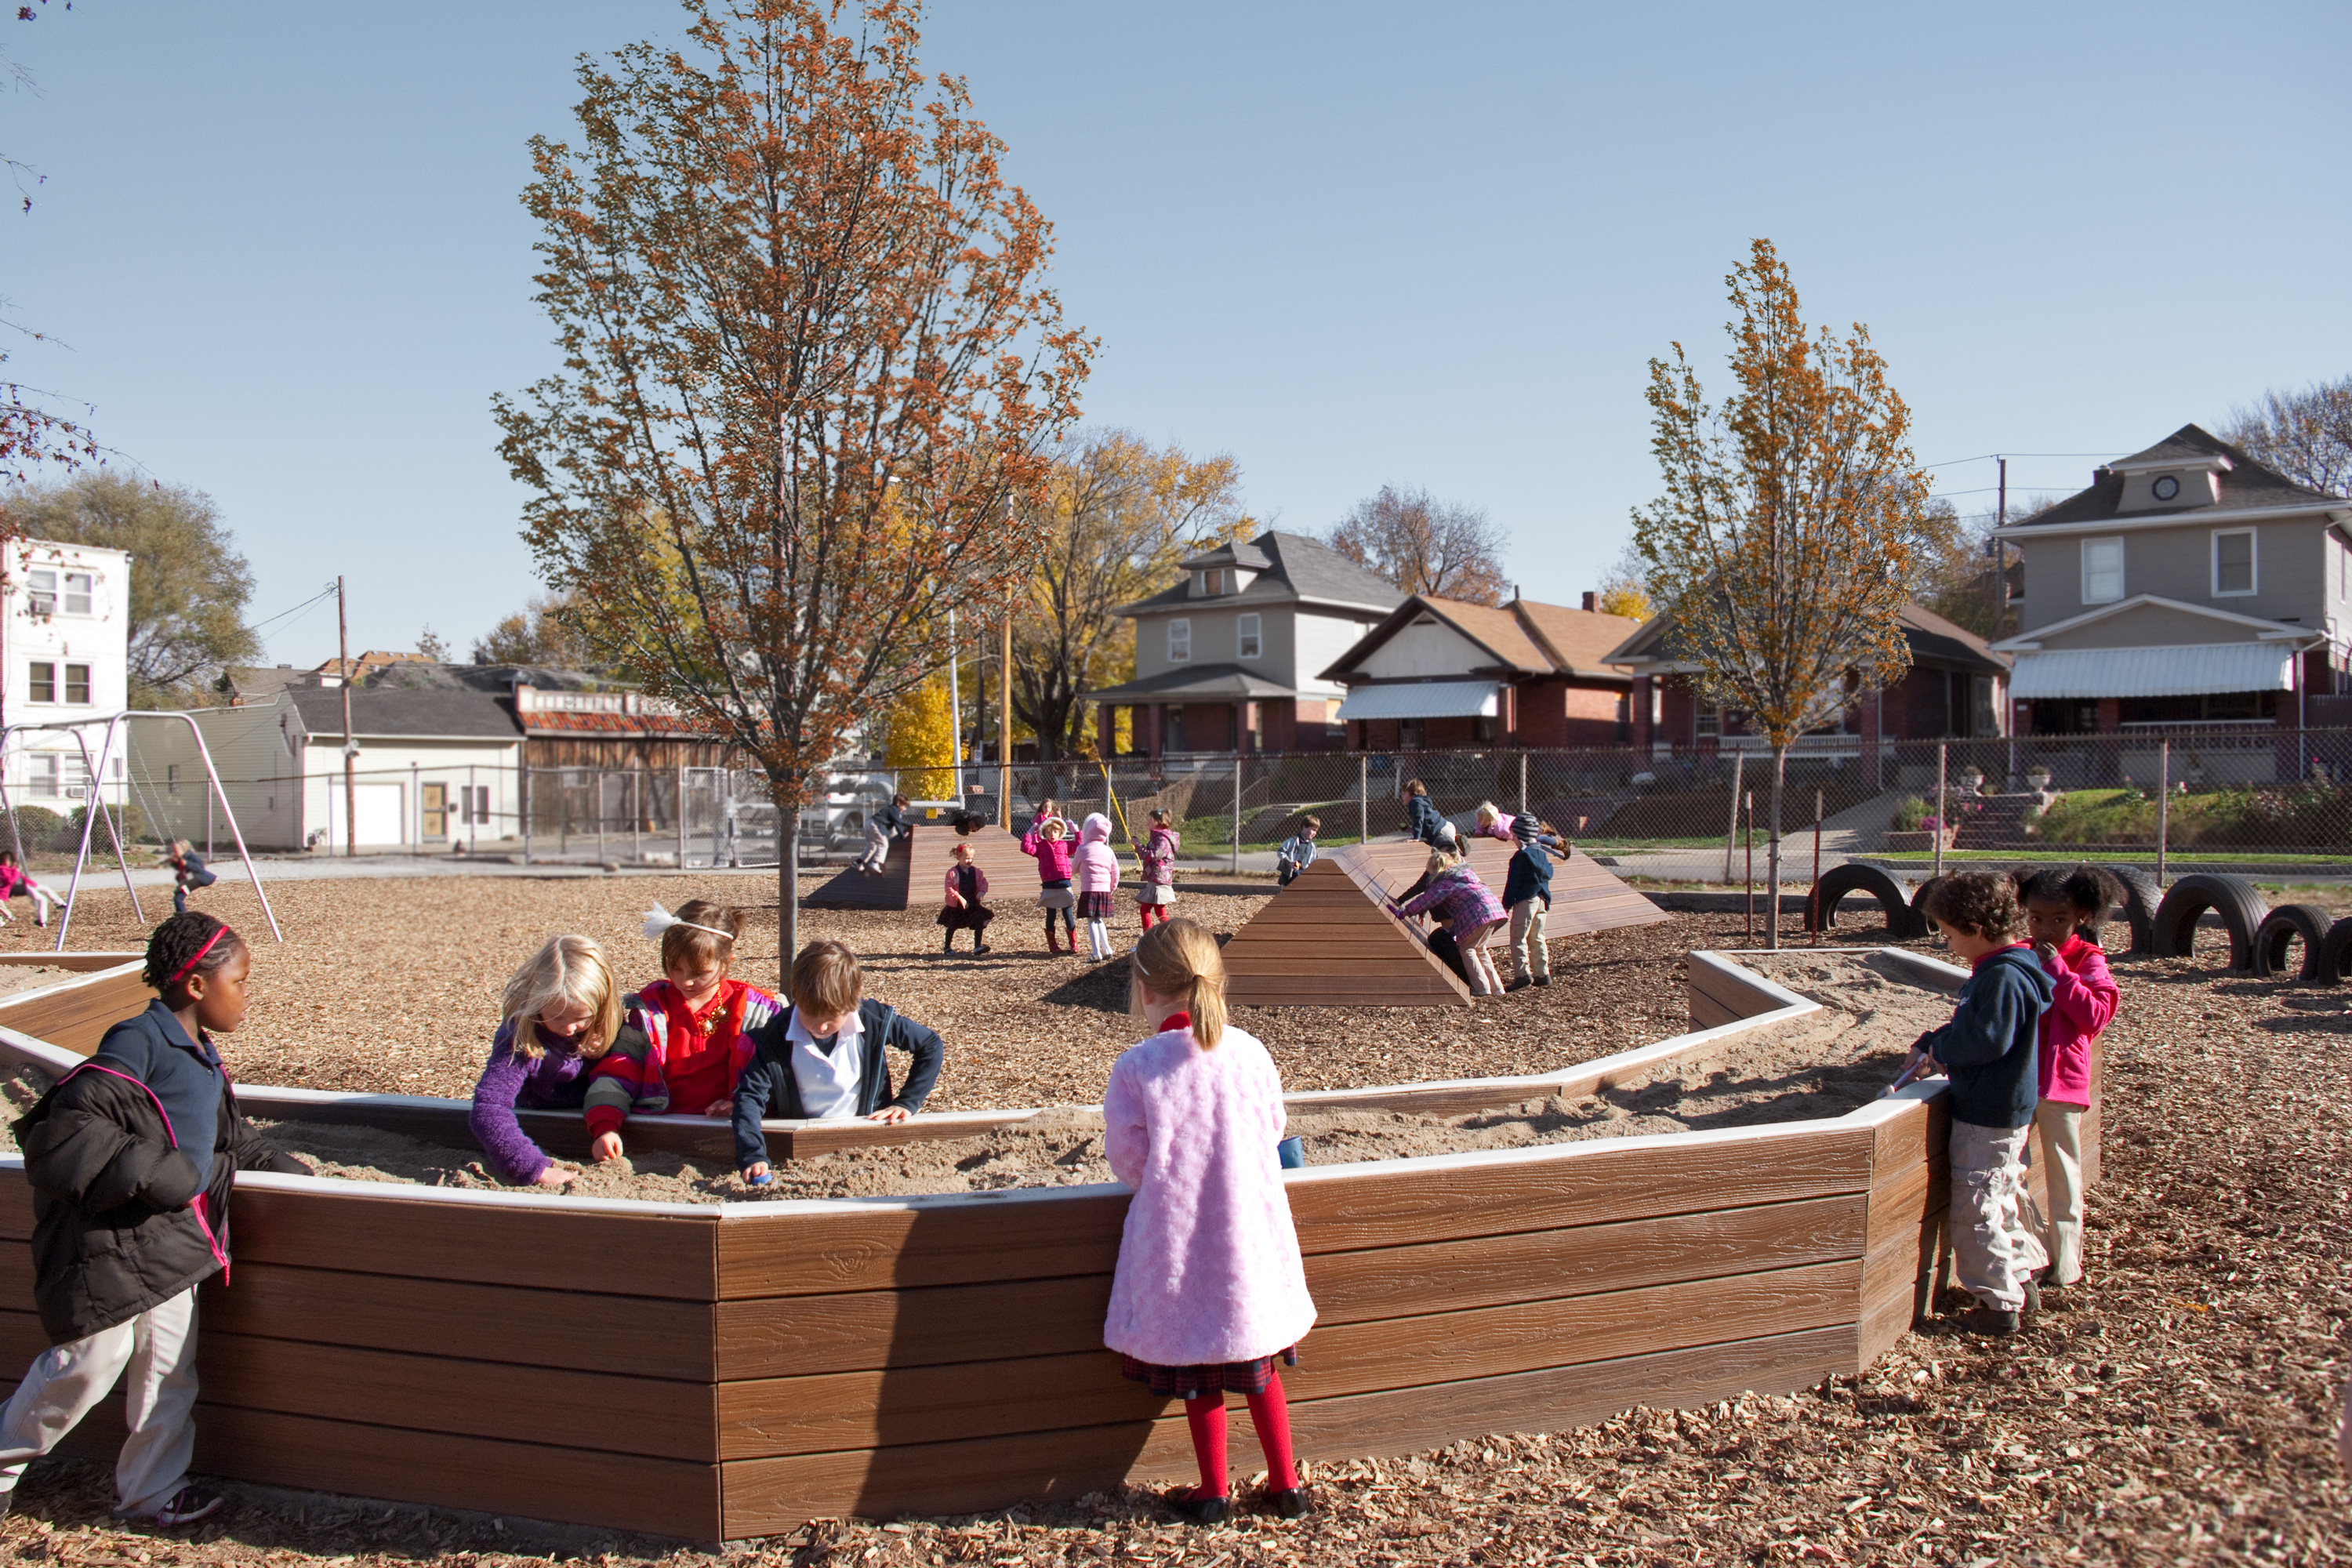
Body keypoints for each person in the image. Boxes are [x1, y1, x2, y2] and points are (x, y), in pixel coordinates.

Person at [0, 911, 305, 1526]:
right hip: (114, 1246)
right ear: (196, 986)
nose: (247, 995)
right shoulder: (138, 1040)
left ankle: (150, 1491)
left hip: (172, 1249)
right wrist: (152, 1170)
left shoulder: (202, 1056)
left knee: (168, 1375)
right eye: (240, 982)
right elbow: (67, 1129)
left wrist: (275, 1161)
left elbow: (219, 1138)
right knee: (85, 1367)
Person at [1105, 918, 1316, 1524]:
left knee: (1198, 1371)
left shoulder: (1139, 1066)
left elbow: (1130, 1161)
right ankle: (1286, 1484)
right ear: (1217, 984)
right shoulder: (1250, 1052)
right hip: (1250, 1232)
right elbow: (1273, 1129)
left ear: (1145, 990)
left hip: (1181, 1241)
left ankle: (1214, 1492)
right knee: (1259, 1367)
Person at [1906, 873, 2053, 1337]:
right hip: (2001, 1110)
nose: (1948, 945)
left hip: (1987, 1113)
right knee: (2001, 1198)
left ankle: (1997, 1304)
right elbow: (1977, 1026)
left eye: (1949, 935)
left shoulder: (2003, 976)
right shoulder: (2005, 969)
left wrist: (1943, 1053)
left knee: (1976, 1210)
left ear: (1975, 927)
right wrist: (1935, 1040)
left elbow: (1987, 1039)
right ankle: (2021, 1278)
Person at [585, 900, 781, 1162]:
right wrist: (605, 1127)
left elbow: (778, 1076)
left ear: (727, 962)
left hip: (732, 1134)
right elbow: (620, 1068)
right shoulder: (650, 1012)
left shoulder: (757, 1012)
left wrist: (744, 1103)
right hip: (660, 1129)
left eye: (700, 972)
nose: (685, 981)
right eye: (675, 968)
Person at [735, 940, 946, 1180]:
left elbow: (930, 1045)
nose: (822, 1026)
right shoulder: (775, 1036)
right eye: (811, 1015)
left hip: (867, 1140)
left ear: (854, 998)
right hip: (803, 1143)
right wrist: (753, 1154)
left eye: (832, 1017)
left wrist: (907, 1102)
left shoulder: (872, 1020)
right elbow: (750, 1097)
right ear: (797, 996)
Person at [2016, 866, 2118, 1297]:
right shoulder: (2021, 953)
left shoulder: (2087, 960)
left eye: (2059, 919)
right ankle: (2030, 1251)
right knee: (2008, 1168)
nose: (2046, 928)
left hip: (2060, 1082)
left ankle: (2066, 1263)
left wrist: (2058, 968)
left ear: (2081, 916)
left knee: (2063, 1173)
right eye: (2036, 918)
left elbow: (2095, 1015)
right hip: (2018, 1080)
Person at [470, 935, 638, 1187]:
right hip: (536, 1113)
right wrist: (535, 1169)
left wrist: (606, 1125)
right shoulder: (519, 1036)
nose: (570, 1028)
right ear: (536, 1002)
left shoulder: (609, 1026)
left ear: (601, 1006)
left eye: (580, 1017)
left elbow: (623, 1078)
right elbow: (489, 1108)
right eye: (557, 1017)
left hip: (597, 1114)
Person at [1389, 848, 1508, 996]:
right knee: (1480, 949)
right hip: (1494, 911)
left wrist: (1404, 912)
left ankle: (1482, 988)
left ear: (1436, 869)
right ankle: (1497, 988)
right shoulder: (1463, 875)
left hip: (1479, 914)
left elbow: (1426, 899)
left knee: (1467, 949)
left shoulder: (1445, 881)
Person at [1501, 815, 1561, 990]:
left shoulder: (1521, 857)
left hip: (1525, 900)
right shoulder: (1542, 854)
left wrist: (1506, 904)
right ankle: (1542, 974)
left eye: (1514, 835)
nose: (1512, 838)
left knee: (1518, 937)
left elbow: (1513, 883)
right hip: (1542, 900)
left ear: (1521, 836)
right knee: (1537, 936)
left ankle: (1522, 975)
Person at [1020, 813, 1078, 955]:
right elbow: (1026, 848)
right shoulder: (1040, 847)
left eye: (1056, 831)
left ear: (1061, 833)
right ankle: (1053, 945)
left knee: (1068, 913)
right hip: (1049, 883)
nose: (1053, 834)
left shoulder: (1065, 845)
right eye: (1049, 832)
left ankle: (1073, 944)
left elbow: (1078, 844)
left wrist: (1076, 831)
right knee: (1050, 914)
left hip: (1064, 881)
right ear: (1044, 833)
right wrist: (1029, 833)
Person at [1073, 811, 1122, 962]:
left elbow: (1073, 869)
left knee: (1091, 921)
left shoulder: (1082, 849)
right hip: (1104, 890)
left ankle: (1095, 953)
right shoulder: (1108, 850)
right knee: (1099, 919)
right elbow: (1115, 872)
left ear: (1087, 831)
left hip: (1089, 890)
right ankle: (1107, 949)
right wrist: (1111, 887)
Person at [937, 841, 994, 955]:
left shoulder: (976, 872)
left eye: (972, 858)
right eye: (967, 858)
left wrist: (982, 891)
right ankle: (947, 947)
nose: (970, 861)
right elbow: (948, 888)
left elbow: (984, 882)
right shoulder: (953, 873)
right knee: (952, 926)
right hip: (957, 905)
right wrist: (959, 898)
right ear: (958, 857)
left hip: (972, 903)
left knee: (979, 919)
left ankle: (977, 946)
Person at [1134, 808, 1181, 931]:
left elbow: (1152, 855)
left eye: (1150, 821)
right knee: (1158, 909)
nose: (1147, 823)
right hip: (1158, 878)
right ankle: (1168, 932)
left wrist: (1138, 846)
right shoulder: (1158, 837)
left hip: (1159, 879)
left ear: (1158, 822)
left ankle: (1150, 935)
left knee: (1145, 909)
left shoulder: (1162, 839)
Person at [0, 849, 59, 928]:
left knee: (43, 895)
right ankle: (6, 918)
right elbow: (12, 880)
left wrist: (31, 883)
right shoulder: (4, 870)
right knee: (42, 898)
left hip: (6, 891)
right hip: (8, 890)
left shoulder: (6, 870)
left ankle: (8, 917)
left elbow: (13, 880)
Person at [856, 793, 911, 874]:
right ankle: (875, 863)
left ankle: (858, 863)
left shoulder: (891, 809)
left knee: (872, 846)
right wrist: (902, 835)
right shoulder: (895, 809)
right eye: (904, 806)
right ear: (898, 803)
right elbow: (897, 823)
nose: (905, 809)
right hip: (875, 825)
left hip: (868, 823)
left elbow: (899, 821)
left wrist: (910, 825)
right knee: (884, 845)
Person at [163, 841, 216, 917]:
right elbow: (181, 872)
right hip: (191, 879)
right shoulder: (179, 859)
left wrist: (186, 864)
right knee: (177, 896)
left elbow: (200, 870)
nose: (174, 853)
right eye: (173, 851)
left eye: (176, 851)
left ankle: (182, 916)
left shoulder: (192, 858)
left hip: (200, 878)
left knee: (178, 897)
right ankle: (181, 914)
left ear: (183, 850)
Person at [1275, 816, 1320, 888]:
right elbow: (1281, 852)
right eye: (1313, 830)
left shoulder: (1312, 846)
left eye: (1316, 831)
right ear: (1304, 826)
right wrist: (1289, 862)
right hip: (1290, 876)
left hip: (1304, 878)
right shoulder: (1293, 841)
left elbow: (1314, 861)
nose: (1315, 833)